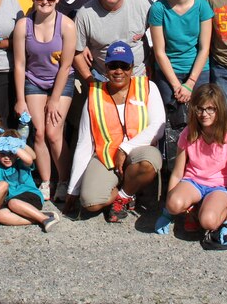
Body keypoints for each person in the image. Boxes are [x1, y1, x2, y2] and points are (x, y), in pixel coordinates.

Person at [66, 42, 165, 221]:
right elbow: (84, 143)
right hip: (106, 157)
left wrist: (125, 148)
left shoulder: (148, 87)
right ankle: (121, 187)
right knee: (90, 202)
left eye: (124, 66)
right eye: (113, 66)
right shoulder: (94, 94)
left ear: (132, 68)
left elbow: (158, 126)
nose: (118, 71)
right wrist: (73, 190)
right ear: (105, 68)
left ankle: (124, 196)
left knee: (150, 161)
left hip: (138, 152)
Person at [154, 83, 227, 249]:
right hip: (193, 181)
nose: (204, 114)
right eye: (200, 109)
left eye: (210, 109)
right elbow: (177, 173)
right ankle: (192, 207)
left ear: (219, 110)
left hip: (219, 186)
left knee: (208, 221)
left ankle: (212, 212)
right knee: (174, 204)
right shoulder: (189, 132)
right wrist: (167, 211)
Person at [12, 0, 77, 202]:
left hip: (61, 80)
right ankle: (47, 180)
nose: (45, 1)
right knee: (38, 132)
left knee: (54, 132)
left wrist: (55, 99)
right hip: (34, 80)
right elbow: (20, 64)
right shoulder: (23, 25)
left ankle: (65, 180)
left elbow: (66, 64)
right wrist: (20, 99)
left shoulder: (67, 24)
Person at [148, 0, 213, 106]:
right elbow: (159, 52)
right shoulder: (158, 8)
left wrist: (190, 83)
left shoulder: (202, 6)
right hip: (168, 71)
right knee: (171, 123)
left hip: (197, 71)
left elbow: (204, 48)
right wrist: (176, 85)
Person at [74, 0, 152, 81]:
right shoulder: (85, 14)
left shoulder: (141, 3)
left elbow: (161, 34)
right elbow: (76, 52)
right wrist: (90, 80)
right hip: (104, 78)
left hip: (140, 75)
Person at [0, 135, 59, 231]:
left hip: (31, 196)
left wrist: (16, 147)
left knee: (14, 203)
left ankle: (44, 219)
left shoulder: (21, 163)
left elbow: (29, 159)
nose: (7, 157)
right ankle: (42, 217)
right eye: (2, 154)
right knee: (1, 215)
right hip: (11, 201)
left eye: (11, 154)